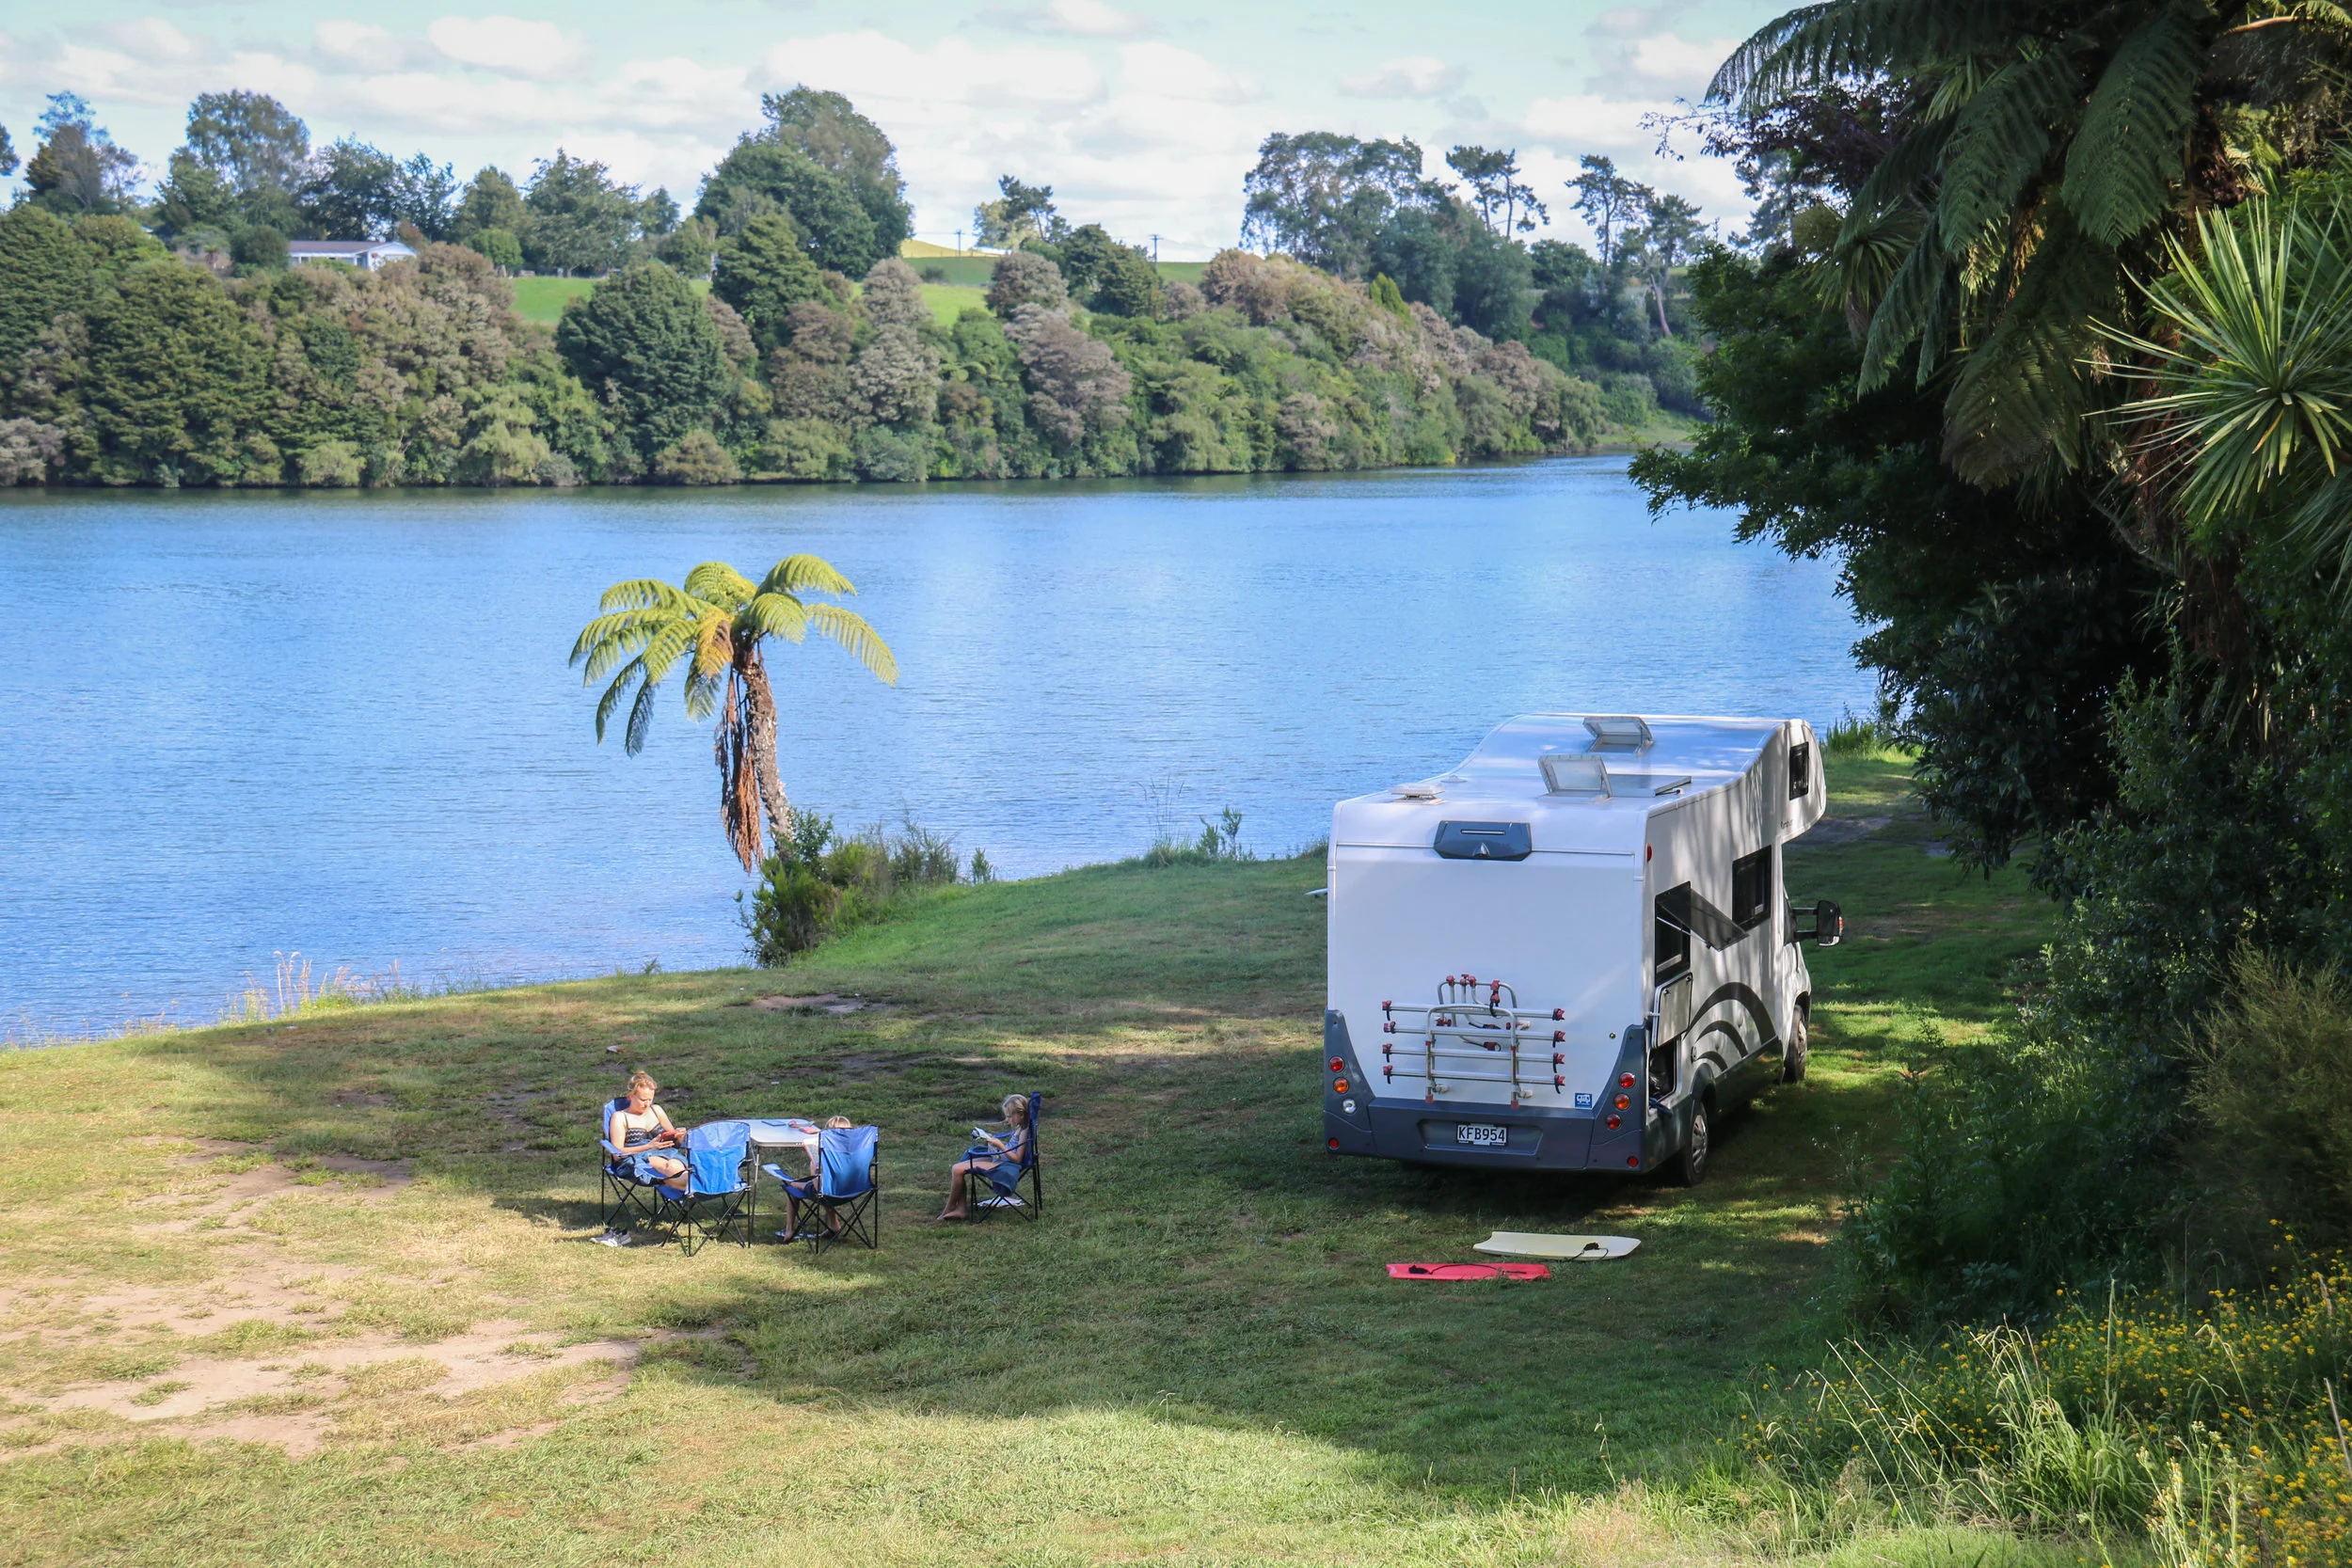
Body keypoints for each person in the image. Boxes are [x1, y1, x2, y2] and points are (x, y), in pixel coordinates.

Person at [598, 1072, 686, 1246]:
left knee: (675, 1164)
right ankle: (695, 1188)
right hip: (634, 1160)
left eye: (650, 1099)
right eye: (643, 1099)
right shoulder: (620, 1117)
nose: (647, 1104)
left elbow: (674, 1138)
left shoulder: (657, 1110)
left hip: (664, 1152)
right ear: (631, 1096)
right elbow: (618, 1151)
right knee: (669, 1166)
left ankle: (689, 1185)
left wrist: (680, 1136)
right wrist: (648, 1146)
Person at [937, 1094, 1030, 1221]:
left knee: (957, 1169)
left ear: (1021, 1114)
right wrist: (993, 1141)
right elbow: (1012, 1147)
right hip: (1002, 1158)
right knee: (959, 1167)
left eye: (1009, 1116)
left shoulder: (1025, 1130)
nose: (1007, 1120)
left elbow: (1017, 1158)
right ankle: (960, 1208)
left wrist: (1000, 1146)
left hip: (1006, 1163)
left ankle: (950, 1208)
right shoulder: (1021, 1127)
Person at [776, 1116, 854, 1243]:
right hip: (854, 1189)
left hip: (829, 1192)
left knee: (793, 1185)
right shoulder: (856, 1151)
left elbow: (819, 1190)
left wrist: (814, 1170)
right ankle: (834, 1224)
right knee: (829, 1188)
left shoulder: (827, 1155)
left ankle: (789, 1230)